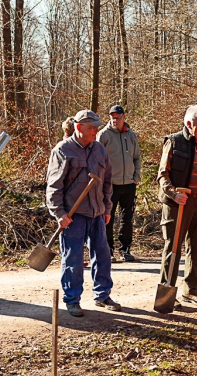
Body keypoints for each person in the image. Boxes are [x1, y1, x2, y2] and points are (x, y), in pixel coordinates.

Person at [46, 109, 120, 317]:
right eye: (92, 128)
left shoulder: (99, 149)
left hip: (97, 212)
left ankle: (102, 295)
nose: (96, 131)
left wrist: (107, 207)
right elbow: (54, 187)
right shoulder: (63, 151)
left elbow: (107, 181)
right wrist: (59, 213)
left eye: (97, 127)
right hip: (73, 215)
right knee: (73, 258)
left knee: (103, 254)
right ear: (79, 128)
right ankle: (72, 300)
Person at [157, 105, 197, 310]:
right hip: (178, 203)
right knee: (173, 248)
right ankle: (167, 292)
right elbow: (162, 175)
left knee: (196, 248)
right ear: (188, 123)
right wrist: (174, 193)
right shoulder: (174, 142)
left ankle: (191, 290)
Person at [97, 105, 142, 262]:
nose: (114, 120)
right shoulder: (103, 135)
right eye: (112, 117)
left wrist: (136, 176)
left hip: (129, 183)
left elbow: (137, 157)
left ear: (124, 117)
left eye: (117, 117)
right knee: (108, 218)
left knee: (127, 218)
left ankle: (126, 249)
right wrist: (102, 181)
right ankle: (108, 250)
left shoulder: (131, 135)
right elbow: (97, 160)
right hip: (110, 184)